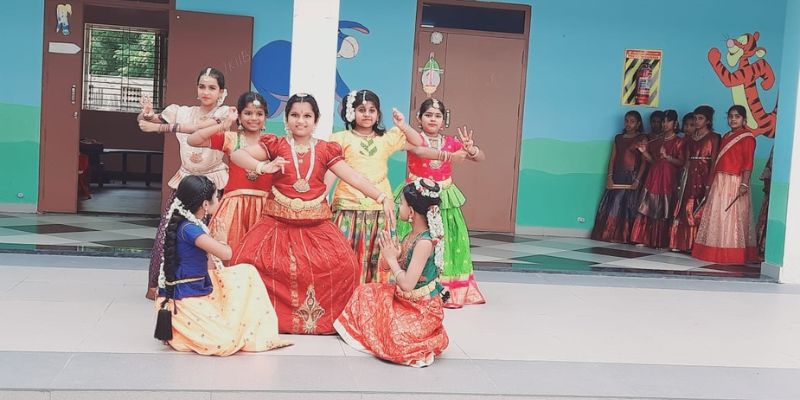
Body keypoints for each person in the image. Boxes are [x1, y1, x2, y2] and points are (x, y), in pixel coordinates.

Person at [229, 93, 396, 334]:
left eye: (307, 116)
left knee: (347, 265)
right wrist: (263, 166)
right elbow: (237, 154)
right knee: (245, 261)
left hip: (316, 226)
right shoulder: (276, 145)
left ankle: (326, 320)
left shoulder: (326, 150)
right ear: (286, 119)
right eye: (295, 115)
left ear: (315, 120)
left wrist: (381, 197)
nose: (301, 121)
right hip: (277, 224)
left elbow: (354, 177)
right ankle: (268, 317)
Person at [153, 175, 290, 356]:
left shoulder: (192, 224)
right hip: (184, 299)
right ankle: (182, 333)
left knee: (247, 272)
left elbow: (210, 266)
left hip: (198, 288)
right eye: (216, 198)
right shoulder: (190, 229)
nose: (219, 201)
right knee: (225, 343)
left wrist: (215, 243)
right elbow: (226, 254)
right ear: (205, 205)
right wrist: (222, 240)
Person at [326, 89, 439, 283]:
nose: (367, 114)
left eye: (372, 110)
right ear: (351, 112)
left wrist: (402, 125)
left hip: (381, 208)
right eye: (361, 110)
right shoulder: (340, 138)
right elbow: (332, 169)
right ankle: (347, 294)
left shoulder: (386, 138)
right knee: (344, 256)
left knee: (378, 257)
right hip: (348, 205)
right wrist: (321, 197)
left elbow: (418, 141)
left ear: (378, 114)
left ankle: (374, 294)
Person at [335, 178, 449, 367]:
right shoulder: (411, 236)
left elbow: (407, 284)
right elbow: (385, 268)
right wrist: (390, 256)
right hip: (403, 299)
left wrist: (391, 259)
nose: (398, 207)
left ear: (411, 211)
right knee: (364, 292)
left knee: (396, 338)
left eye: (401, 203)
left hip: (421, 309)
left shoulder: (424, 243)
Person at [139, 67, 232, 300]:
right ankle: (162, 285)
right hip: (187, 183)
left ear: (222, 92)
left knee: (212, 233)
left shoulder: (225, 113)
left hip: (214, 183)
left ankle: (214, 287)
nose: (206, 92)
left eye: (212, 87)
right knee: (168, 232)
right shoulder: (181, 112)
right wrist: (146, 114)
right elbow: (146, 122)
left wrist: (159, 127)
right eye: (202, 86)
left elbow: (201, 129)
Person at [394, 98, 486, 309]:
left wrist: (471, 149)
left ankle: (447, 287)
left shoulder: (452, 142)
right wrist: (451, 156)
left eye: (437, 116)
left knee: (447, 238)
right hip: (416, 197)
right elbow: (419, 151)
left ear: (444, 121)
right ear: (419, 118)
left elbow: (480, 157)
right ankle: (410, 282)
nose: (433, 119)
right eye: (428, 115)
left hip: (443, 197)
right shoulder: (414, 138)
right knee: (411, 237)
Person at [187, 92, 273, 255]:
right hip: (234, 208)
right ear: (239, 116)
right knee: (228, 253)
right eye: (248, 113)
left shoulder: (272, 142)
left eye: (259, 114)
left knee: (261, 255)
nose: (253, 118)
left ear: (265, 117)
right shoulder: (231, 139)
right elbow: (193, 140)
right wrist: (223, 124)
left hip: (264, 208)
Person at [692, 105, 758, 264]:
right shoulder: (726, 136)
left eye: (737, 116)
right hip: (719, 180)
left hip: (734, 181)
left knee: (730, 217)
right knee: (717, 214)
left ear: (744, 119)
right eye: (730, 116)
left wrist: (744, 184)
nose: (733, 119)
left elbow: (748, 163)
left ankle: (730, 252)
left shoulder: (748, 137)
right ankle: (714, 249)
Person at [631, 110, 685, 248]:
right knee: (648, 205)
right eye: (663, 121)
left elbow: (682, 162)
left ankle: (662, 241)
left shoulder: (679, 142)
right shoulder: (656, 141)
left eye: (668, 121)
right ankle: (644, 238)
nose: (665, 124)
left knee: (665, 207)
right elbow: (652, 160)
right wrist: (644, 151)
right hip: (654, 176)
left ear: (675, 123)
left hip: (668, 178)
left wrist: (667, 157)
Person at [669, 106, 720, 252]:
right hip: (690, 174)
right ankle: (683, 243)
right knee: (686, 205)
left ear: (708, 121)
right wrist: (682, 179)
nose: (697, 121)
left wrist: (710, 182)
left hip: (705, 174)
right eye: (695, 118)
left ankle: (698, 245)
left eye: (700, 118)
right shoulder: (690, 138)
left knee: (701, 207)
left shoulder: (714, 137)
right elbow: (686, 160)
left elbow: (714, 161)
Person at [590, 111, 647, 243]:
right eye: (626, 121)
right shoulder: (618, 138)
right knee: (615, 204)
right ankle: (610, 234)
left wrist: (637, 180)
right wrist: (609, 177)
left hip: (632, 176)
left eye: (632, 121)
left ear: (638, 123)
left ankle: (626, 236)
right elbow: (612, 158)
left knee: (629, 206)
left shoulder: (642, 138)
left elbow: (644, 162)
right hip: (618, 175)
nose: (628, 124)